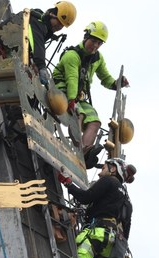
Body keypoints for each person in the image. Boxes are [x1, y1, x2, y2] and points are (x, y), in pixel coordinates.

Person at [52, 21, 129, 169]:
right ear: (86, 37)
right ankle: (76, 148)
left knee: (95, 122)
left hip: (78, 97)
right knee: (78, 114)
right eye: (93, 41)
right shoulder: (72, 56)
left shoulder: (97, 59)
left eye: (99, 43)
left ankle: (83, 152)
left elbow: (105, 78)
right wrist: (71, 101)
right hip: (62, 90)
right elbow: (72, 80)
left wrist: (116, 84)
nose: (95, 46)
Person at [58, 158, 136, 258]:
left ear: (113, 169)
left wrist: (67, 183)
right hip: (114, 248)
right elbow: (126, 232)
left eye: (104, 168)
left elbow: (86, 197)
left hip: (97, 236)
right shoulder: (127, 201)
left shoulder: (110, 181)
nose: (101, 172)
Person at [0, 1, 77, 85]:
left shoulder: (39, 25)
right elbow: (37, 44)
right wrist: (41, 67)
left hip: (4, 57)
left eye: (62, 26)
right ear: (52, 14)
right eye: (59, 22)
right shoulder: (35, 21)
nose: (59, 27)